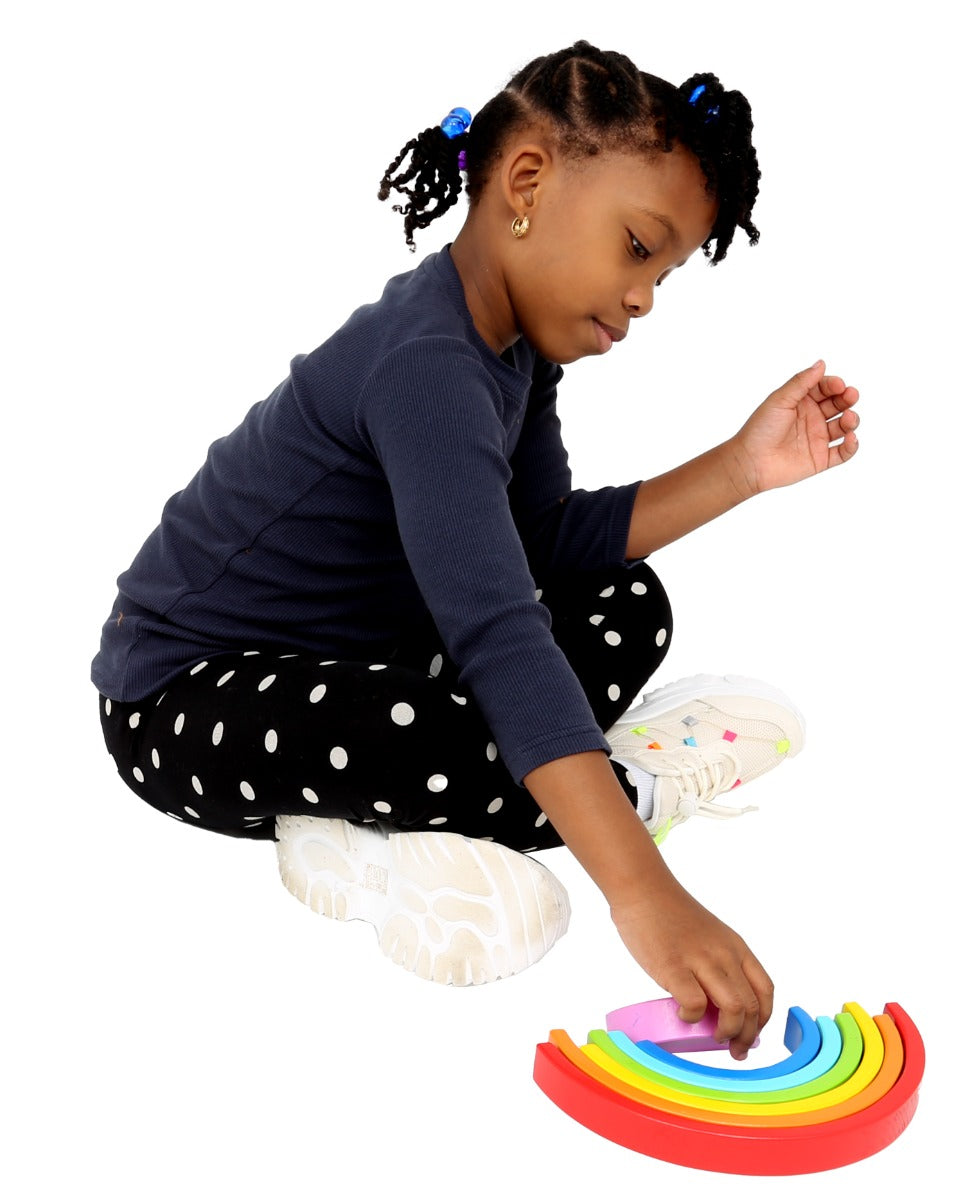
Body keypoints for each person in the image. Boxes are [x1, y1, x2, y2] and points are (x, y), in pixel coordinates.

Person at [92, 41, 859, 1061]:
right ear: (527, 182)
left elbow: (541, 546)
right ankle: (580, 803)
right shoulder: (428, 366)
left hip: (368, 654)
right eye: (638, 248)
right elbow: (498, 631)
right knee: (444, 719)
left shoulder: (513, 354)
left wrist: (742, 468)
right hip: (185, 701)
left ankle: (522, 787)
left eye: (664, 276)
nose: (643, 301)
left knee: (627, 599)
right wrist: (646, 892)